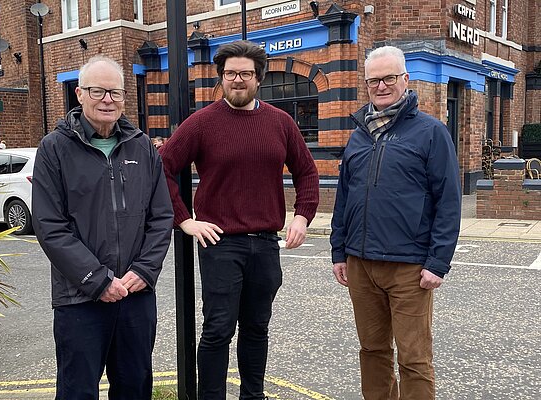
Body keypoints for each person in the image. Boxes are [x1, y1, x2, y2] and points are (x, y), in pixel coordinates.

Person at [160, 40, 319, 400]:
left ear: (258, 78)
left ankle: (253, 395)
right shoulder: (201, 123)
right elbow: (163, 168)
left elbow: (306, 173)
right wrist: (185, 221)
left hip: (265, 244)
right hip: (220, 243)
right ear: (221, 77)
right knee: (217, 330)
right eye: (230, 73)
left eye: (245, 74)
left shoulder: (281, 123)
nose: (237, 80)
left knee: (256, 328)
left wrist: (302, 217)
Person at [32, 55, 173, 400]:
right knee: (78, 390)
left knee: (135, 387)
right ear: (79, 94)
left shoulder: (142, 146)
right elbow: (50, 225)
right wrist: (97, 280)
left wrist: (144, 270)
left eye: (116, 93)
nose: (108, 100)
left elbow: (161, 216)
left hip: (135, 293)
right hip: (80, 298)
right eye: (98, 91)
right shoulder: (54, 149)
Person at [330, 45, 461, 399]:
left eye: (389, 78)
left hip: (409, 267)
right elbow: (344, 198)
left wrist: (438, 262)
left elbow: (448, 201)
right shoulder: (358, 136)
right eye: (374, 80)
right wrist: (338, 252)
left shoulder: (431, 132)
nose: (381, 86)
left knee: (414, 358)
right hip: (360, 264)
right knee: (372, 352)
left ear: (405, 79)